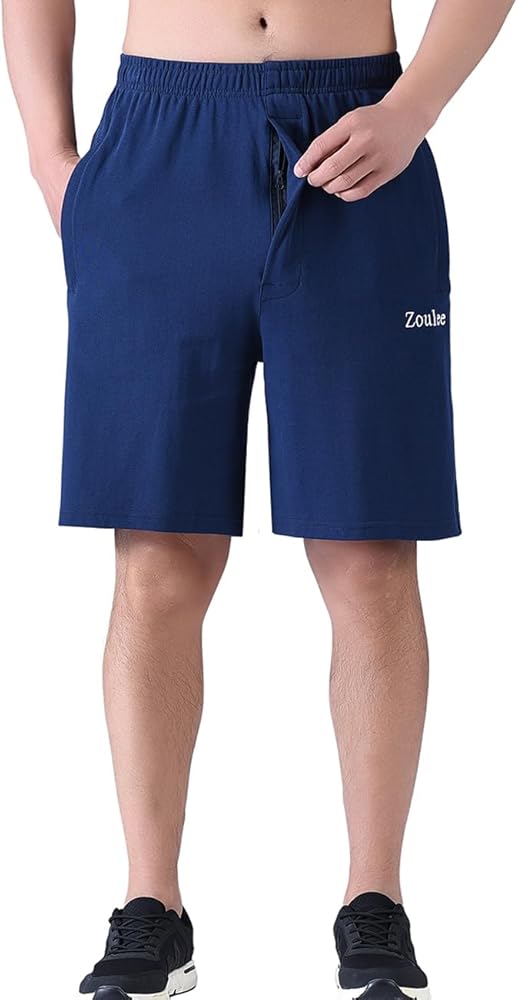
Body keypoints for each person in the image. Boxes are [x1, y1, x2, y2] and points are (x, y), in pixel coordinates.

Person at [3, 1, 515, 998]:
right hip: (158, 145)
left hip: (359, 134)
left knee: (369, 553)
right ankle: (150, 904)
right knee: (158, 557)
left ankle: (375, 899)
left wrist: (414, 107)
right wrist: (47, 155)